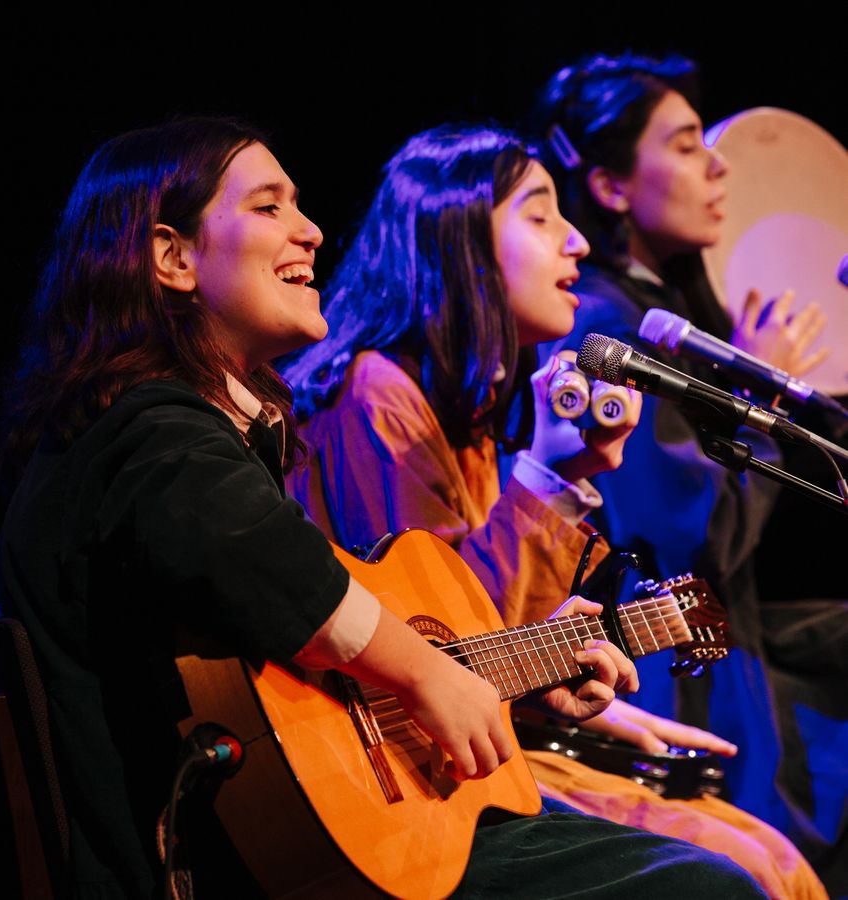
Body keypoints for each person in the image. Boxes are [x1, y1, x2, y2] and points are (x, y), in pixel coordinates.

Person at [0, 116, 763, 899]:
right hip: (229, 868)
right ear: (174, 257)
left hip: (298, 842)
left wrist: (521, 669)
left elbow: (305, 663)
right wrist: (431, 675)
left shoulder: (186, 435)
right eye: (268, 208)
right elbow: (282, 575)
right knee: (708, 885)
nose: (313, 231)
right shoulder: (150, 434)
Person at [283, 124, 824, 899]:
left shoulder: (461, 413)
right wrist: (549, 477)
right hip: (409, 782)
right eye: (539, 216)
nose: (574, 241)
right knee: (740, 875)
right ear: (458, 239)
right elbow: (444, 643)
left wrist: (589, 711)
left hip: (495, 744)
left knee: (775, 861)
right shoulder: (376, 394)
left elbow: (492, 643)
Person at [532, 52, 845, 892]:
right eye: (683, 144)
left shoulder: (648, 308)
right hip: (668, 671)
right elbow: (688, 532)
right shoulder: (602, 321)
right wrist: (764, 401)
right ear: (608, 187)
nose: (718, 166)